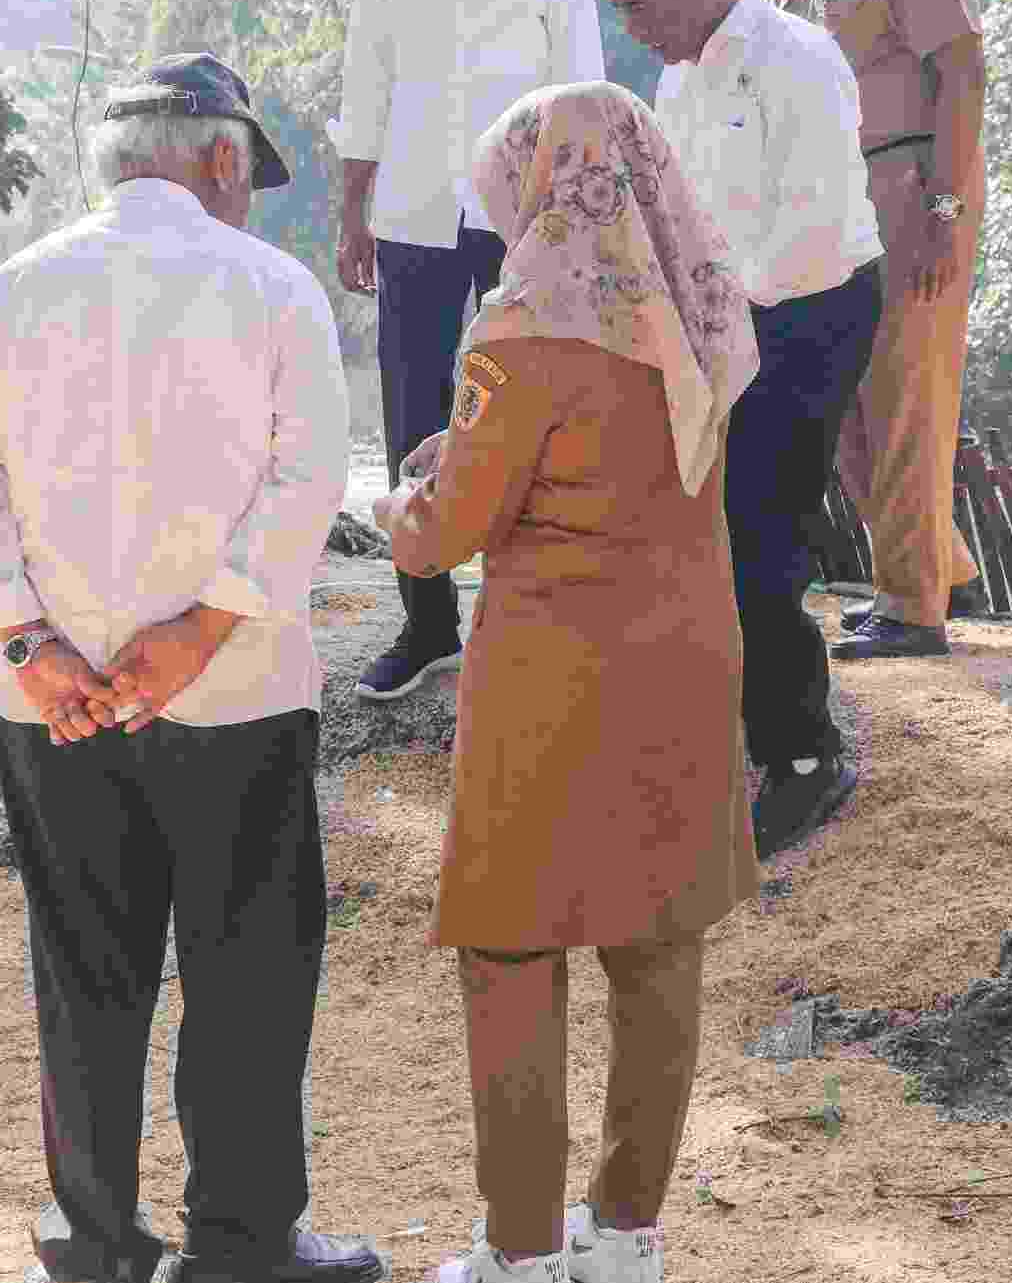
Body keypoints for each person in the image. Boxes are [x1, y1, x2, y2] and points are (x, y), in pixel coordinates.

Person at [0, 53, 384, 1283]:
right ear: (222, 158)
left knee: (82, 967)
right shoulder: (275, 289)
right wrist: (197, 631)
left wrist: (31, 640)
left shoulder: (7, 294)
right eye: (249, 176)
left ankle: (90, 1241)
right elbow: (306, 481)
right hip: (233, 695)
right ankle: (239, 1244)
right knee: (245, 970)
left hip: (55, 703)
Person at [372, 83, 762, 1283]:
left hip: (553, 670)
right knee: (656, 942)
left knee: (511, 947)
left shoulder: (523, 328)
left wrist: (400, 497)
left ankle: (523, 1251)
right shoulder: (701, 309)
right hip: (690, 656)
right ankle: (626, 1236)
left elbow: (446, 534)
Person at [598, 0, 884, 859]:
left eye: (644, 6)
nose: (635, 29)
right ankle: (727, 731)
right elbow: (673, 212)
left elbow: (805, 231)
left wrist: (712, 326)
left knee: (761, 530)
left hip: (810, 312)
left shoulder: (796, 59)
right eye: (624, 12)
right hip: (723, 316)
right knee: (696, 523)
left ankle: (806, 756)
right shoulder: (678, 74)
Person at [331, 0, 607, 703]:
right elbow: (365, 79)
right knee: (413, 408)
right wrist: (351, 210)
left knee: (524, 406)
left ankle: (522, 611)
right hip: (410, 209)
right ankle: (425, 623)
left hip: (522, 214)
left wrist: (574, 227)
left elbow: (581, 85)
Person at [737, 0, 990, 659]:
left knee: (905, 393)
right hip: (827, 187)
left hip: (909, 179)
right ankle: (933, 565)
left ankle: (913, 609)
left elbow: (961, 71)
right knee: (839, 391)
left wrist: (945, 210)